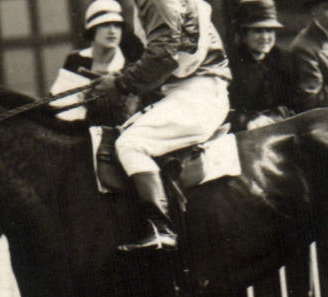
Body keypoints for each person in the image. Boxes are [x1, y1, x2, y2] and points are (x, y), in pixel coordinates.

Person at [87, 0, 231, 253]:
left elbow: (163, 57)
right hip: (191, 89)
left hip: (198, 93)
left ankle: (160, 230)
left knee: (130, 144)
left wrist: (120, 83)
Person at [51, 1, 141, 125]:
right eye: (105, 25)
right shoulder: (75, 60)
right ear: (92, 30)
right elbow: (57, 104)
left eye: (117, 25)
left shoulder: (128, 67)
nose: (112, 31)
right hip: (71, 129)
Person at [227, 0, 297, 131]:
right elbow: (224, 109)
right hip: (244, 131)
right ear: (243, 35)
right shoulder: (229, 64)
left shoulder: (283, 59)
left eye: (269, 31)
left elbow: (294, 102)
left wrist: (276, 117)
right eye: (258, 31)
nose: (265, 37)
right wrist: (247, 120)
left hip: (279, 125)